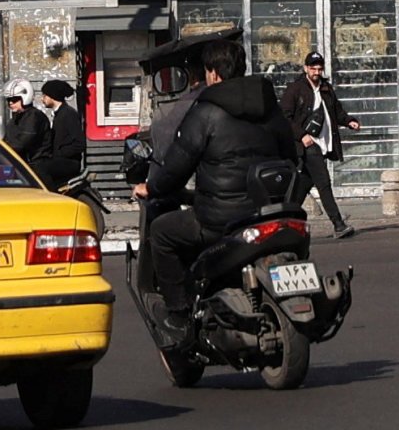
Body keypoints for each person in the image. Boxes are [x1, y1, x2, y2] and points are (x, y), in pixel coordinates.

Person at [138, 42, 301, 324]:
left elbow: (176, 167)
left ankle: (178, 313)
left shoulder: (206, 111)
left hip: (220, 220)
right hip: (267, 214)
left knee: (161, 231)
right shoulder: (270, 106)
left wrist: (151, 188)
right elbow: (290, 155)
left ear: (212, 73)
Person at [288, 50, 357, 240]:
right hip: (309, 146)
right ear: (305, 69)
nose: (316, 72)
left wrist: (349, 121)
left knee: (302, 186)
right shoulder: (296, 89)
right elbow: (284, 117)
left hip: (323, 145)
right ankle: (338, 224)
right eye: (313, 68)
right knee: (324, 184)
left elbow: (337, 111)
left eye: (319, 68)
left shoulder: (326, 88)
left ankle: (285, 221)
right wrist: (302, 135)